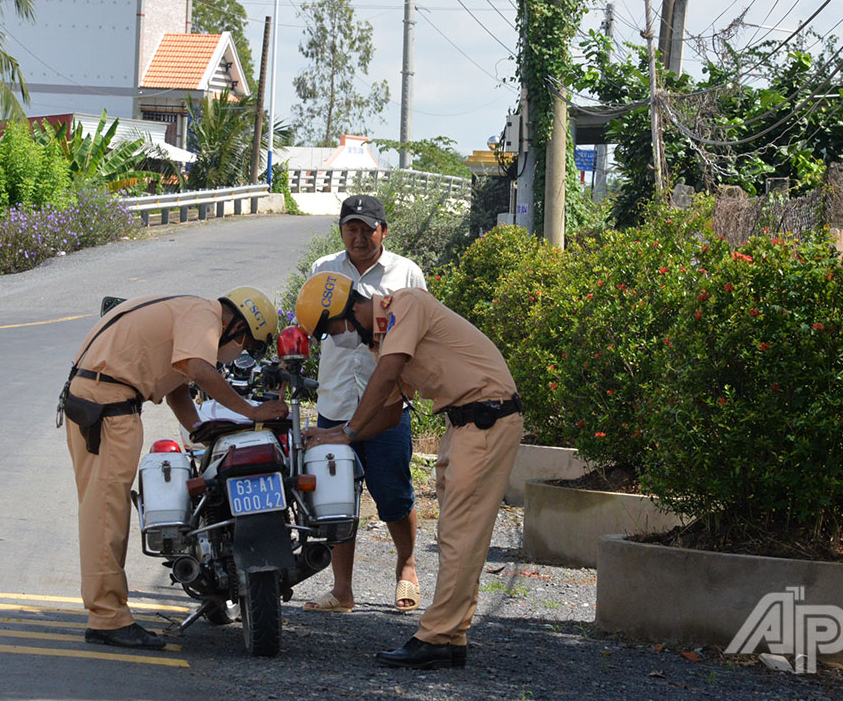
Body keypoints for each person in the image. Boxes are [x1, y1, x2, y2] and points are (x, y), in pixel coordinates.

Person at [296, 272, 521, 670]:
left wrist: (347, 433)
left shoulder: (406, 305)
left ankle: (434, 636)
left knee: (459, 534)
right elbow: (390, 412)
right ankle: (452, 636)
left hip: (486, 416)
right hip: (464, 421)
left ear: (349, 311)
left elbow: (384, 380)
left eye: (331, 330)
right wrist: (334, 433)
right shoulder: (385, 339)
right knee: (458, 534)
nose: (335, 340)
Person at [63, 288, 287, 650]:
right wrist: (252, 412)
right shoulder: (204, 317)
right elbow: (199, 370)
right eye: (244, 347)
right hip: (107, 410)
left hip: (98, 402)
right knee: (106, 514)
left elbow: (177, 388)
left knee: (105, 511)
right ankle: (107, 619)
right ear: (238, 331)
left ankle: (105, 613)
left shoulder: (188, 310)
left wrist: (199, 432)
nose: (237, 355)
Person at [303, 194, 427, 616]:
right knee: (336, 497)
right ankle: (342, 591)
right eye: (350, 228)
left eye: (366, 228)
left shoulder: (406, 272)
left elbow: (421, 334)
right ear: (341, 231)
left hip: (389, 404)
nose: (358, 236)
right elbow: (307, 328)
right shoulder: (323, 270)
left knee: (393, 492)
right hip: (335, 401)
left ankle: (407, 568)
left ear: (383, 230)